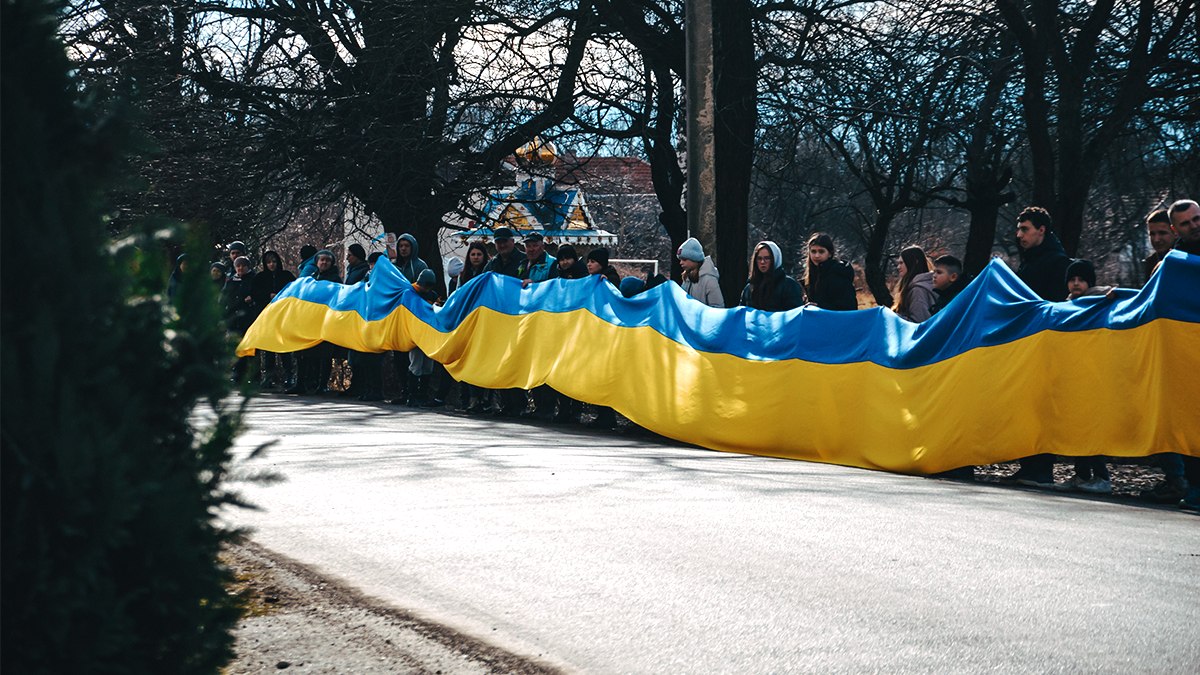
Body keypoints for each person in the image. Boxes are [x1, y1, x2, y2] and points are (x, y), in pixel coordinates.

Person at [1002, 207, 1073, 487]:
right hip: (1027, 344)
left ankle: (1041, 469)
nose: (1019, 235)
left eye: (1025, 229)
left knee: (1040, 408)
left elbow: (1055, 304)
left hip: (1044, 345)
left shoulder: (1057, 262)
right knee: (1026, 408)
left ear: (1042, 230)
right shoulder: (1029, 261)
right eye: (1019, 229)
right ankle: (1029, 466)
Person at [1054, 259, 1115, 494]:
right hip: (1075, 375)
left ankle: (1102, 477)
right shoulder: (1068, 305)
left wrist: (1109, 295)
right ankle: (1081, 475)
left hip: (1094, 375)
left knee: (1091, 427)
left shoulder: (1100, 299)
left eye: (1081, 279)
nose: (1076, 283)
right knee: (1077, 427)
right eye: (1072, 279)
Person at [482, 228, 528, 417]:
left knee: (516, 363)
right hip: (499, 320)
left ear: (512, 241)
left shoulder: (524, 260)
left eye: (505, 241)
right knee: (501, 363)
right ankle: (506, 404)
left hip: (518, 319)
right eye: (498, 242)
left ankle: (520, 404)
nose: (502, 245)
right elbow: (481, 282)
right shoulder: (493, 263)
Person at [251, 250, 297, 388]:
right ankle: (268, 377)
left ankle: (289, 376)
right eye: (269, 262)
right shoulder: (260, 277)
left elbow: (295, 291)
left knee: (284, 347)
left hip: (283, 316)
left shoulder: (286, 276)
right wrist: (268, 295)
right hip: (266, 316)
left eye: (274, 261)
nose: (272, 264)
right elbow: (254, 293)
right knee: (268, 347)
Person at [405, 269, 442, 407]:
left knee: (427, 366)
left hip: (428, 337)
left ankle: (422, 395)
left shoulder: (432, 295)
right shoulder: (411, 293)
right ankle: (412, 395)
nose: (426, 289)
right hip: (416, 336)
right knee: (416, 365)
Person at [740, 241, 805, 312]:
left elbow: (795, 314)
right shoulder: (749, 288)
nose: (762, 262)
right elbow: (742, 314)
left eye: (767, 258)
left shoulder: (789, 285)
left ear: (775, 259)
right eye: (759, 258)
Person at [222, 256, 259, 380]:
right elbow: (224, 299)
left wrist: (253, 299)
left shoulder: (254, 279)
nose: (240, 268)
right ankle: (238, 375)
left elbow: (259, 294)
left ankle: (254, 377)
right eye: (238, 266)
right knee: (237, 350)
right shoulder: (231, 281)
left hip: (250, 320)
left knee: (252, 350)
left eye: (243, 265)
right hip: (234, 321)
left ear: (248, 266)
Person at [802, 233, 857, 311]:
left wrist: (819, 307)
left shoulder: (837, 274)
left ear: (830, 254)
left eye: (821, 252)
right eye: (813, 251)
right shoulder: (813, 274)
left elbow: (848, 306)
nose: (817, 255)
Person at [892, 246, 936, 323]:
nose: (898, 267)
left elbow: (919, 323)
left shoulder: (918, 290)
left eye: (901, 263)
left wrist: (891, 316)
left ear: (915, 263)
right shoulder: (918, 285)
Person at [677, 237, 724, 308]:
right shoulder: (687, 278)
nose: (681, 263)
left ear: (695, 258)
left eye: (684, 259)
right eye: (680, 260)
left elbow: (717, 306)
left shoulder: (709, 279)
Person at [1143, 210, 1175, 281]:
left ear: (1175, 232)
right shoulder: (1150, 262)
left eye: (1162, 233)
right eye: (1152, 234)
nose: (1156, 239)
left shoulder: (1183, 259)